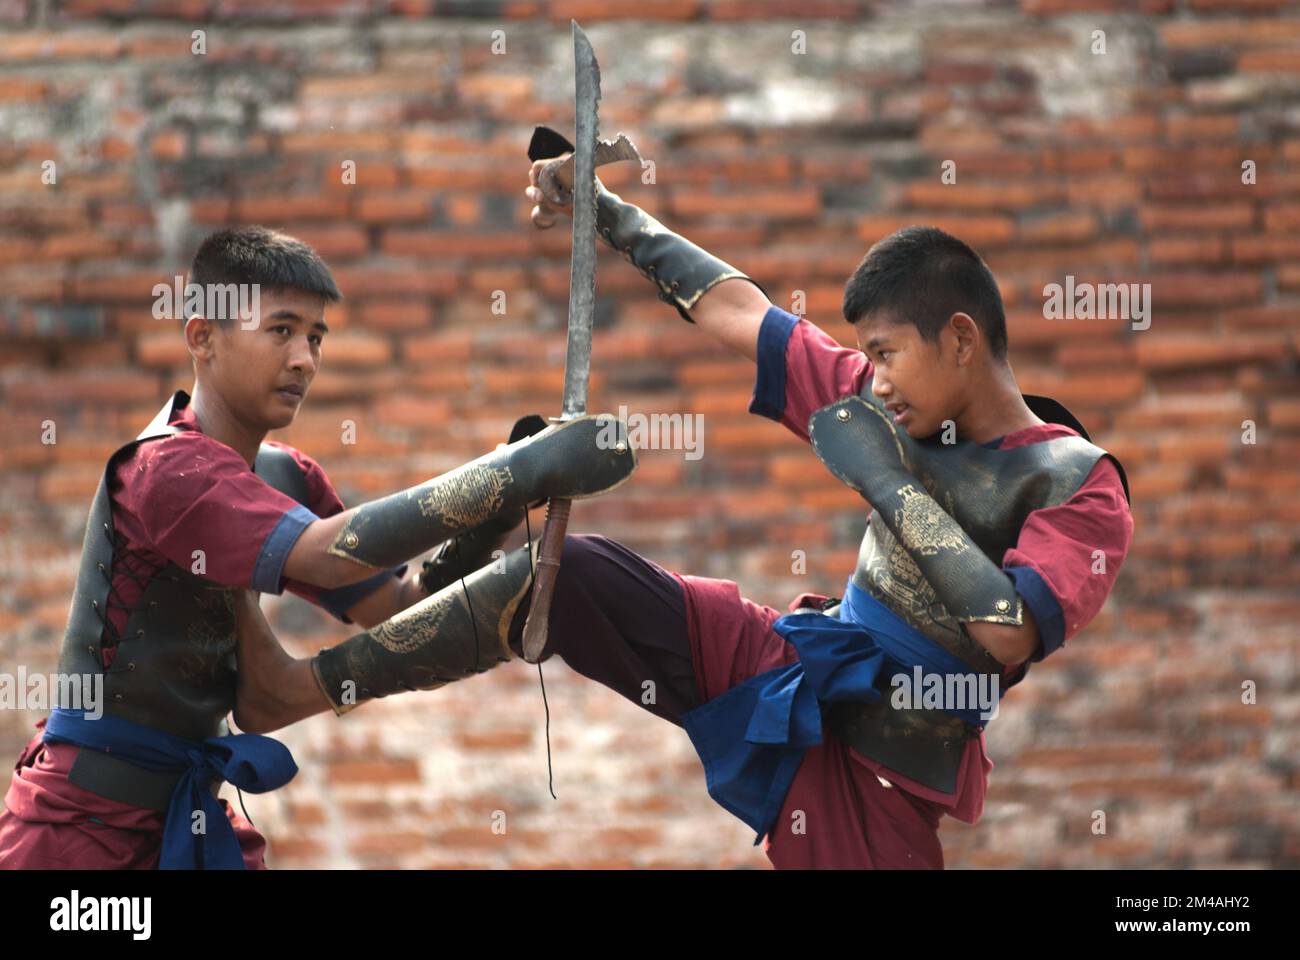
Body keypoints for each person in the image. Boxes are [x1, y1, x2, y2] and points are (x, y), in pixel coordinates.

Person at [226, 134, 1133, 870]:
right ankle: (299, 690)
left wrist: (888, 480)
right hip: (790, 658)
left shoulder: (1076, 484)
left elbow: (1011, 631)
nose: (876, 379)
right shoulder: (884, 401)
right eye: (871, 360)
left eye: (889, 354)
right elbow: (740, 312)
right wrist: (608, 214)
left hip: (887, 766)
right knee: (571, 573)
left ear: (962, 339)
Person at [0, 225, 636, 869]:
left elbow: (391, 605)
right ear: (203, 337)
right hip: (78, 834)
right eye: (281, 330)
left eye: (315, 337)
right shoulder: (165, 471)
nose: (304, 357)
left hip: (187, 819)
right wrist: (514, 471)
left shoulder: (284, 476)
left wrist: (490, 521)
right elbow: (330, 553)